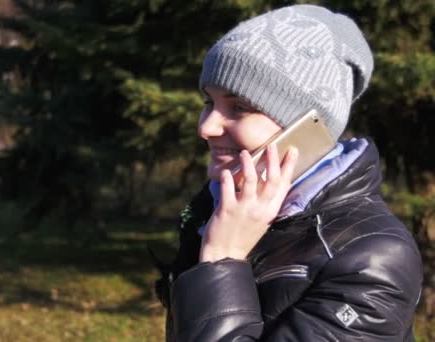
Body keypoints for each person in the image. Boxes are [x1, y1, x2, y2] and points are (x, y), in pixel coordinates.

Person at [152, 4, 423, 341]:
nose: (206, 127)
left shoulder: (372, 258)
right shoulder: (226, 204)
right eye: (209, 102)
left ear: (308, 127)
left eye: (239, 107)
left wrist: (222, 260)